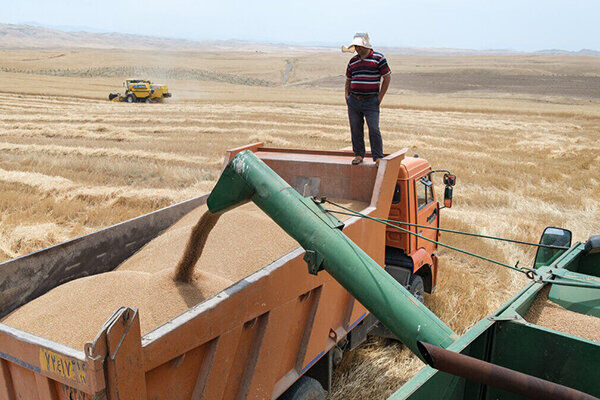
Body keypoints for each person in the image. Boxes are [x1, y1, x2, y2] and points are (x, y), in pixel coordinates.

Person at [342, 32, 391, 166]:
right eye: (355, 46)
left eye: (359, 46)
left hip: (371, 101)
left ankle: (377, 157)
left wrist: (380, 97)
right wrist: (347, 96)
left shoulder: (379, 58)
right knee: (355, 128)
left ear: (365, 46)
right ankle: (358, 155)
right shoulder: (353, 61)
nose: (357, 49)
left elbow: (387, 77)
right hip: (354, 100)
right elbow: (348, 79)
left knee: (374, 129)